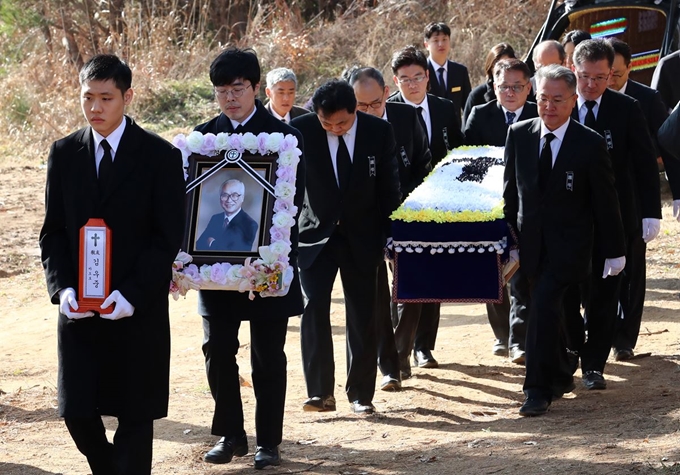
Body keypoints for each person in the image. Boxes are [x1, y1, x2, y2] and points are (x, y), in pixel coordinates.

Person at [39, 54, 186, 474]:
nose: (96, 108)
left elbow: (167, 236)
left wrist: (132, 294)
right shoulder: (65, 152)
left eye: (106, 98)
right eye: (88, 97)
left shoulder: (159, 155)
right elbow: (53, 232)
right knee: (77, 412)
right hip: (81, 309)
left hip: (135, 307)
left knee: (136, 417)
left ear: (128, 97)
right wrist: (64, 289)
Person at [194, 47, 306, 469]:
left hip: (265, 267)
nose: (230, 98)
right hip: (216, 268)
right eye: (221, 91)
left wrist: (276, 258)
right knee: (216, 349)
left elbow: (294, 205)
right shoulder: (203, 139)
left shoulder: (285, 140)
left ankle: (269, 442)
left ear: (256, 88)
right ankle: (231, 433)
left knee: (267, 356)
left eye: (238, 88)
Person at [503, 64, 626, 417]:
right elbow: (511, 196)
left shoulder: (588, 143)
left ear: (573, 101)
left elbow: (606, 202)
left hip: (570, 249)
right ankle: (559, 373)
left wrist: (615, 252)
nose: (549, 106)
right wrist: (507, 240)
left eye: (558, 99)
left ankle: (536, 390)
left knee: (542, 309)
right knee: (547, 314)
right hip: (528, 248)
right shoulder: (520, 134)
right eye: (543, 98)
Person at [291, 79, 401, 415]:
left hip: (362, 236)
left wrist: (390, 238)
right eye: (327, 123)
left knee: (363, 314)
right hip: (315, 236)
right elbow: (289, 187)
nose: (335, 129)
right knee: (313, 310)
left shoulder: (377, 132)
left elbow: (388, 189)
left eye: (342, 122)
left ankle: (360, 393)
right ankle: (320, 392)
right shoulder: (300, 132)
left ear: (355, 110)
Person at [567, 38, 661, 390]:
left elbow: (644, 165)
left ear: (612, 74)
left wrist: (651, 213)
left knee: (606, 293)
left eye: (600, 77)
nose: (591, 85)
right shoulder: (556, 104)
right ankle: (574, 348)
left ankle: (594, 365)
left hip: (615, 217)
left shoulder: (627, 109)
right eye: (585, 76)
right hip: (569, 220)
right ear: (573, 69)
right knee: (567, 293)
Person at [348, 66, 432, 390]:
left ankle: (401, 349)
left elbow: (424, 164)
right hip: (367, 220)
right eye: (361, 106)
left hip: (408, 214)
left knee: (413, 286)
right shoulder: (346, 126)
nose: (368, 112)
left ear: (386, 93)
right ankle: (389, 366)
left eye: (374, 105)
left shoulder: (407, 118)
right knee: (377, 296)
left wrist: (410, 206)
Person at [387, 45, 464, 370]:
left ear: (428, 77)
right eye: (405, 79)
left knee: (435, 277)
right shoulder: (388, 112)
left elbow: (459, 152)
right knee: (404, 279)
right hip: (402, 207)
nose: (413, 84)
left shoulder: (445, 108)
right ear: (396, 81)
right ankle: (398, 350)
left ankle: (423, 348)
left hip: (441, 205)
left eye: (418, 77)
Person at [606, 37, 677, 360]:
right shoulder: (584, 98)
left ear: (629, 69)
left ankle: (625, 338)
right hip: (598, 198)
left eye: (617, 74)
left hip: (635, 197)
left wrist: (676, 194)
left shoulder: (646, 99)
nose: (609, 81)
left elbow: (668, 146)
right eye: (606, 73)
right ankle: (601, 328)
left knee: (633, 269)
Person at [464, 58, 537, 363]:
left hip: (529, 206)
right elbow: (467, 160)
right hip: (489, 204)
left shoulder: (539, 114)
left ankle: (520, 339)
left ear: (528, 87)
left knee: (523, 273)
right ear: (493, 86)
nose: (509, 92)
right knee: (494, 272)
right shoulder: (480, 116)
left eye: (516, 86)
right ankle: (501, 335)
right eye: (503, 86)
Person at [423, 21, 472, 120]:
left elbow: (468, 106)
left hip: (455, 131)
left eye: (444, 39)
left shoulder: (460, 71)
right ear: (426, 45)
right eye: (436, 40)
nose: (441, 44)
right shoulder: (421, 72)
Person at [196, 179, 258, 252]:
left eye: (234, 195)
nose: (229, 200)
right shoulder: (216, 218)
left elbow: (236, 253)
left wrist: (211, 243)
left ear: (242, 198)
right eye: (225, 195)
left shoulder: (250, 224)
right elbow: (199, 245)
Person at [463, 42, 516, 123]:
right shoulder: (477, 95)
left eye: (505, 65)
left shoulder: (523, 91)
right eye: (496, 65)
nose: (501, 70)